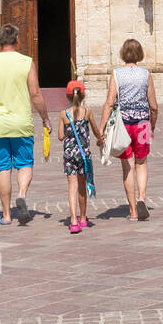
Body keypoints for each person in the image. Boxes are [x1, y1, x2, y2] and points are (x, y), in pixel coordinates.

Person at [0, 23, 52, 226]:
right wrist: (45, 118)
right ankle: (22, 195)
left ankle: (7, 215)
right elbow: (35, 94)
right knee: (25, 164)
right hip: (21, 124)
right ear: (17, 40)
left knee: (3, 169)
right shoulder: (27, 62)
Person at [99, 38, 158, 221]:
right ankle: (141, 197)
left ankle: (132, 210)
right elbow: (153, 106)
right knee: (142, 163)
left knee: (127, 166)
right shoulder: (146, 74)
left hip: (123, 125)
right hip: (142, 124)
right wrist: (152, 125)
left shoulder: (117, 74)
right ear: (139, 54)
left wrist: (101, 128)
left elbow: (109, 103)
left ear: (123, 53)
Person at [57, 80, 102, 234]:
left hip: (69, 154)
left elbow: (60, 136)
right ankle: (83, 218)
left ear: (68, 96)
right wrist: (100, 139)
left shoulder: (63, 114)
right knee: (83, 186)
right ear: (83, 95)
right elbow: (95, 130)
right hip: (83, 155)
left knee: (72, 187)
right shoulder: (87, 111)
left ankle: (73, 221)